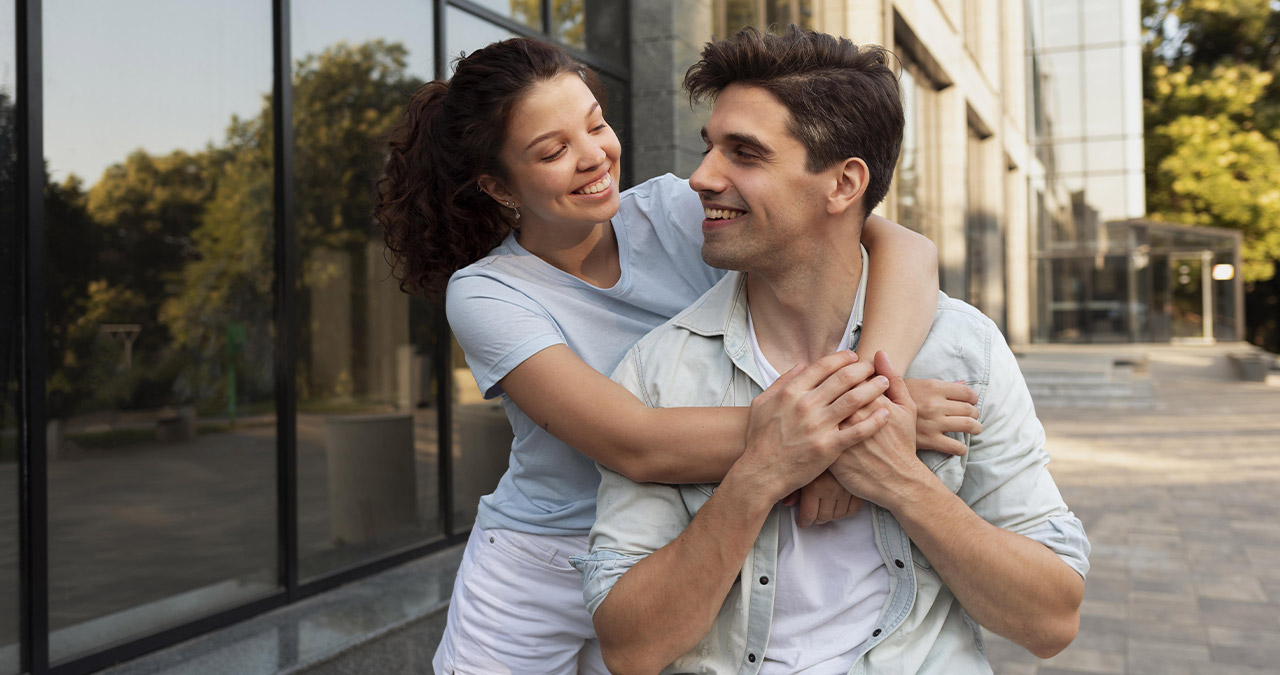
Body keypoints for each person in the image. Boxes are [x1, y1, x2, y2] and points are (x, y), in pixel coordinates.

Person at [375, 37, 980, 674]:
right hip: (542, 565)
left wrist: (872, 393)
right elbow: (636, 442)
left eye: (595, 125)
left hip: (674, 546)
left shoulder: (671, 208)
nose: (593, 157)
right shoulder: (487, 292)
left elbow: (903, 247)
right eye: (553, 151)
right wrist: (844, 428)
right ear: (500, 186)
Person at [574, 26, 1091, 675]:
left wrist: (899, 479)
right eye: (709, 148)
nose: (701, 177)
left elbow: (1051, 620)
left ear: (844, 185)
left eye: (745, 153)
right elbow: (630, 647)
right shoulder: (659, 369)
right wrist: (761, 472)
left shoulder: (962, 350)